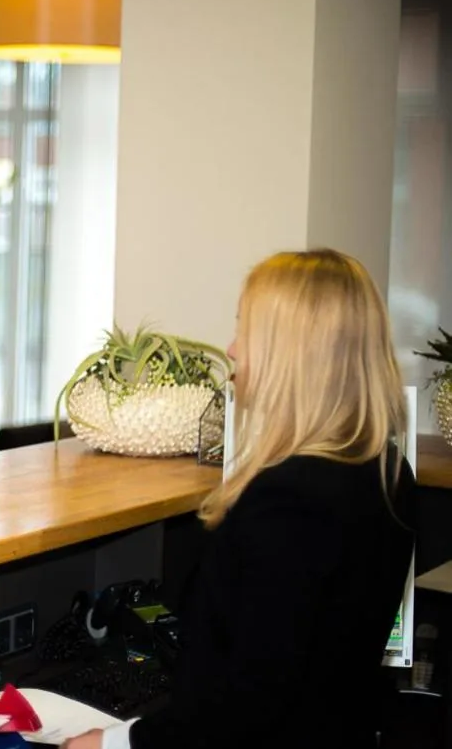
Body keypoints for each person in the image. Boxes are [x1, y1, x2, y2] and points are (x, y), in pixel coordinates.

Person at [62, 248, 416, 749]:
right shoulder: (389, 475)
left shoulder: (288, 502)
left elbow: (243, 707)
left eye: (245, 331)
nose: (231, 348)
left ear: (291, 352)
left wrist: (114, 744)